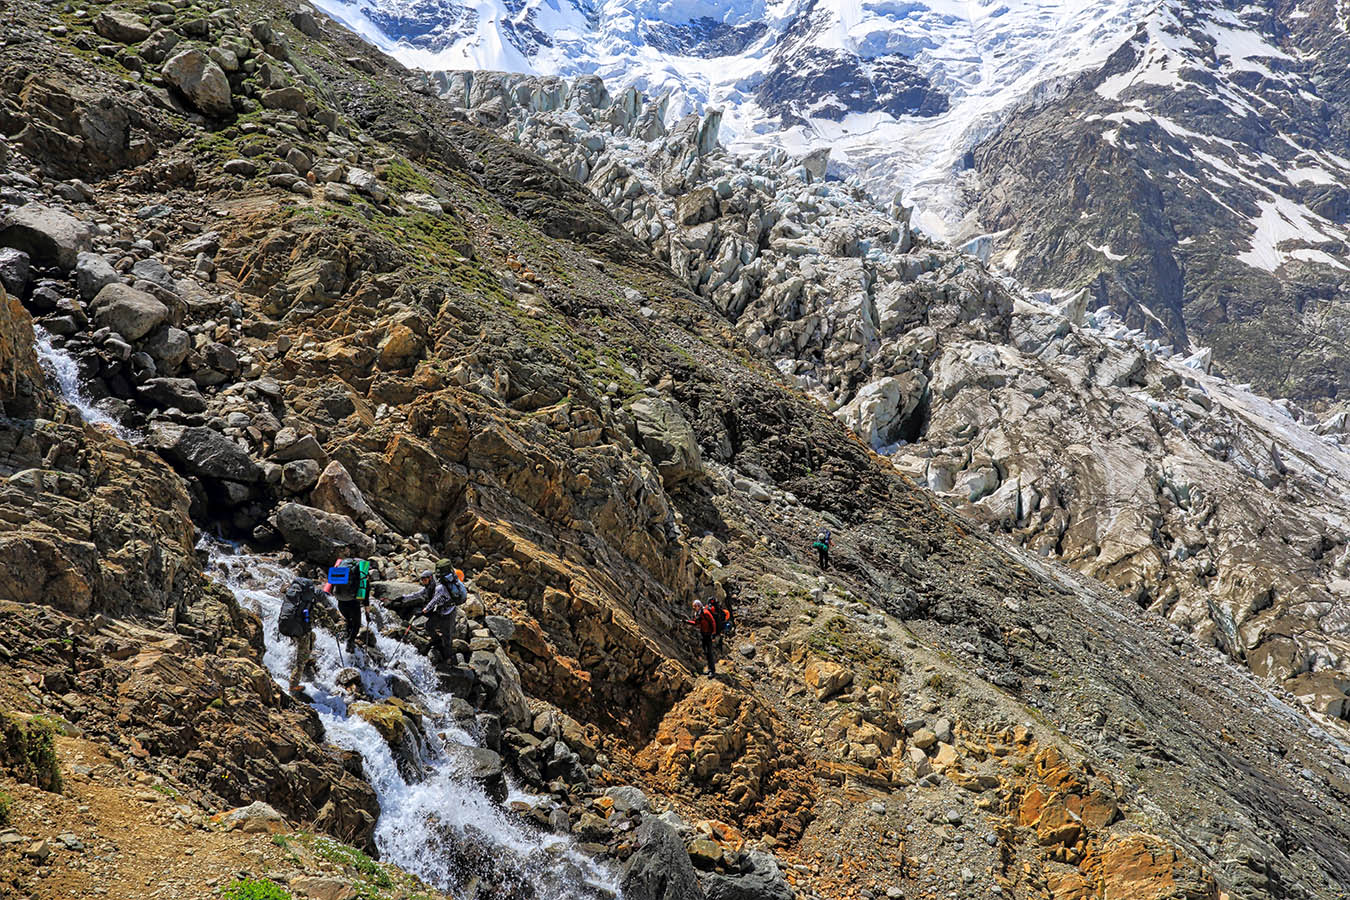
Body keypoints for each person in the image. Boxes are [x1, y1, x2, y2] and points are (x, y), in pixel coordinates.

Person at [277, 576, 321, 694]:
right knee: (301, 661)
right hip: (300, 630)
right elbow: (323, 618)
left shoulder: (292, 594)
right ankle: (293, 686)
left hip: (285, 624)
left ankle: (305, 657)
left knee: (312, 637)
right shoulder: (310, 601)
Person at [325, 557, 372, 654]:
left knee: (348, 621)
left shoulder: (343, 575)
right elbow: (366, 600)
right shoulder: (363, 582)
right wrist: (367, 614)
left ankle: (346, 639)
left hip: (341, 601)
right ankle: (350, 642)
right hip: (353, 603)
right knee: (357, 624)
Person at [687, 600, 719, 676]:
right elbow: (696, 623)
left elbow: (713, 622)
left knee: (709, 652)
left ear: (699, 606)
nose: (694, 608)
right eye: (693, 606)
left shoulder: (705, 613)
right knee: (706, 652)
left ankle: (712, 671)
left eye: (695, 606)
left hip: (708, 634)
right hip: (704, 634)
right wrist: (687, 622)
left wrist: (713, 634)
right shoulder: (698, 614)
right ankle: (710, 669)